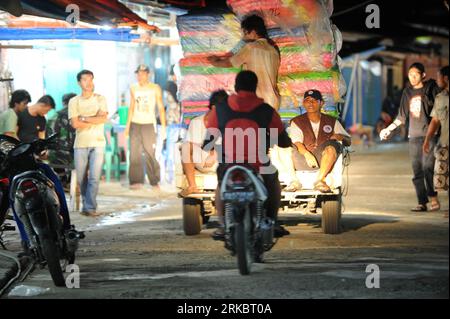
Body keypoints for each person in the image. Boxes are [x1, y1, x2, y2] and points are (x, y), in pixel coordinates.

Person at [208, 14, 301, 191]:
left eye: (244, 32)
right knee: (273, 138)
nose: (243, 36)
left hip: (253, 103)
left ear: (252, 31)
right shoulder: (274, 50)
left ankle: (254, 174)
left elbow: (231, 62)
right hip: (272, 102)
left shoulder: (250, 48)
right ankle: (291, 178)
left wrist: (214, 61)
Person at [205, 71, 292, 239]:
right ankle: (272, 221)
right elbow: (281, 139)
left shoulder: (221, 109)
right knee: (273, 178)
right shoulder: (267, 110)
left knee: (221, 183)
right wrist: (283, 141)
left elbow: (209, 141)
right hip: (258, 164)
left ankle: (222, 225)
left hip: (230, 163)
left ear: (236, 87)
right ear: (255, 87)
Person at [0, 92, 73, 244]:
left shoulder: (40, 119)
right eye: (24, 103)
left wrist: (42, 150)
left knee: (53, 182)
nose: (25, 106)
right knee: (13, 197)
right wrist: (22, 149)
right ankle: (27, 240)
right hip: (14, 163)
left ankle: (66, 226)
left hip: (32, 160)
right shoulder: (16, 116)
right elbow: (11, 136)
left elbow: (41, 137)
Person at [380, 62, 441, 212]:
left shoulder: (430, 89)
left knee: (428, 167)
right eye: (410, 74)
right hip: (413, 136)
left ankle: (433, 196)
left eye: (416, 74)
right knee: (417, 170)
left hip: (430, 135)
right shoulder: (407, 92)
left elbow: (439, 112)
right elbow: (401, 117)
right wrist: (388, 129)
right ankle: (422, 202)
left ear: (423, 75)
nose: (413, 77)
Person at [290, 90, 351, 193]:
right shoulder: (297, 121)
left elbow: (348, 141)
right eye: (307, 100)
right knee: (283, 148)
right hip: (302, 160)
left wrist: (340, 137)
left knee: (332, 146)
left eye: (314, 100)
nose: (310, 103)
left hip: (324, 159)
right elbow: (297, 143)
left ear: (321, 103)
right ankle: (293, 180)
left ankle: (320, 180)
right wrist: (306, 154)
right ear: (303, 103)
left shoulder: (332, 121)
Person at [69, 69, 108, 217]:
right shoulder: (74, 101)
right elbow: (75, 124)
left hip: (98, 142)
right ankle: (87, 203)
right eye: (85, 79)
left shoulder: (100, 99)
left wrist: (83, 118)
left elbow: (103, 119)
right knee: (81, 177)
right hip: (80, 143)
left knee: (94, 177)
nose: (89, 82)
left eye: (91, 79)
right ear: (79, 83)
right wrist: (93, 119)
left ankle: (90, 207)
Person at [179, 90, 228, 197]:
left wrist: (214, 153)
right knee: (186, 146)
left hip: (223, 163)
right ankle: (192, 186)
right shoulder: (196, 122)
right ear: (214, 108)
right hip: (202, 161)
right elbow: (192, 145)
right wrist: (208, 153)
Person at [124, 64, 166, 189]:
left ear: (148, 74)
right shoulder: (133, 88)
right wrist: (127, 127)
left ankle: (154, 181)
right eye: (138, 73)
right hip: (135, 124)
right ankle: (136, 181)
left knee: (150, 152)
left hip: (148, 124)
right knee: (134, 153)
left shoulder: (155, 88)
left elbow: (161, 108)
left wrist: (163, 127)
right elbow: (131, 108)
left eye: (142, 73)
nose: (140, 76)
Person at [423, 65, 449, 194]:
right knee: (444, 177)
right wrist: (427, 139)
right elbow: (435, 120)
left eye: (439, 78)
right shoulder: (440, 98)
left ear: (446, 78)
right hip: (444, 143)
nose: (437, 81)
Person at [48, 93, 77, 188]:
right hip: (74, 156)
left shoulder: (53, 116)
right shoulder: (78, 117)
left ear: (63, 103)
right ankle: (69, 182)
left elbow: (47, 139)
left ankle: (62, 181)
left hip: (55, 157)